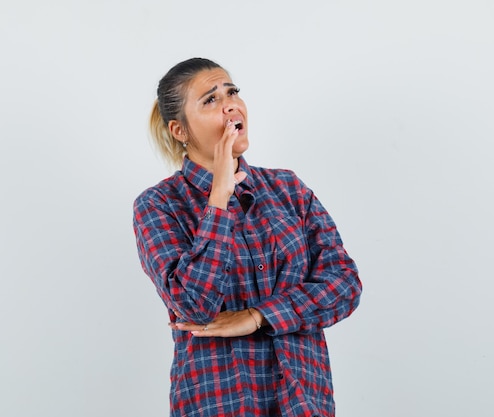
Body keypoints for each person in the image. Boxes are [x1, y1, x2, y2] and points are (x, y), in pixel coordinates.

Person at [133, 57, 362, 417]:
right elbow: (194, 306)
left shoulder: (287, 189)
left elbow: (345, 284)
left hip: (304, 403)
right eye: (210, 100)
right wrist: (218, 199)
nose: (230, 104)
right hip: (220, 404)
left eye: (232, 91)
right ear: (180, 131)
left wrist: (258, 316)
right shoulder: (159, 205)